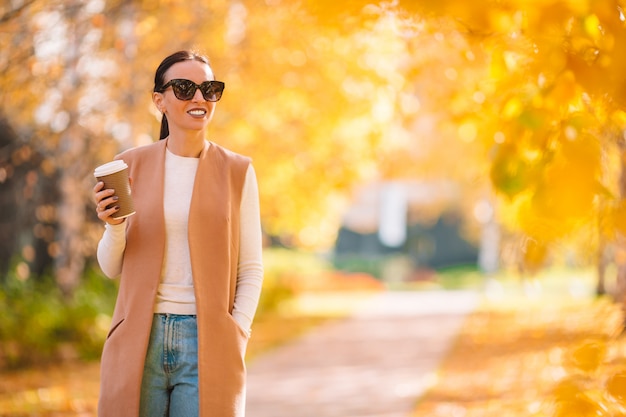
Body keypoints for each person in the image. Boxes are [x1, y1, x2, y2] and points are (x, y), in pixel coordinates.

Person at [93, 50, 264, 417]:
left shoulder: (237, 171)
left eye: (209, 89)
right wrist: (114, 226)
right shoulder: (129, 166)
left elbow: (251, 267)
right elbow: (110, 267)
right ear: (160, 101)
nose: (199, 98)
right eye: (185, 88)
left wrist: (237, 332)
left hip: (209, 340)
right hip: (140, 338)